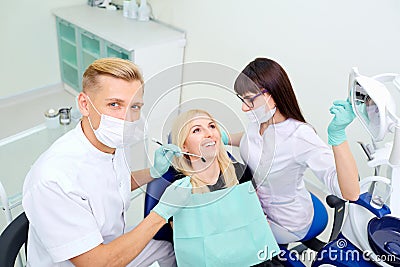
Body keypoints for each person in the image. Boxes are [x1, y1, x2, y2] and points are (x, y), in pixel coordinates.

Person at [22, 58, 192, 267]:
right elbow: (99, 263)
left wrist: (153, 172)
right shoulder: (53, 179)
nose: (126, 118)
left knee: (165, 250)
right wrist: (161, 213)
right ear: (84, 104)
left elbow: (114, 182)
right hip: (94, 261)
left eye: (135, 106)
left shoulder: (110, 141)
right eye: (114, 104)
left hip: (109, 243)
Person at [228, 57, 360, 244]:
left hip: (286, 223)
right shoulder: (259, 119)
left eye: (249, 100)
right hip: (262, 205)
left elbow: (350, 193)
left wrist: (338, 136)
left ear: (271, 95)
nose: (243, 107)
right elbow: (252, 140)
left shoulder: (300, 137)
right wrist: (223, 138)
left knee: (228, 235)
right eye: (242, 99)